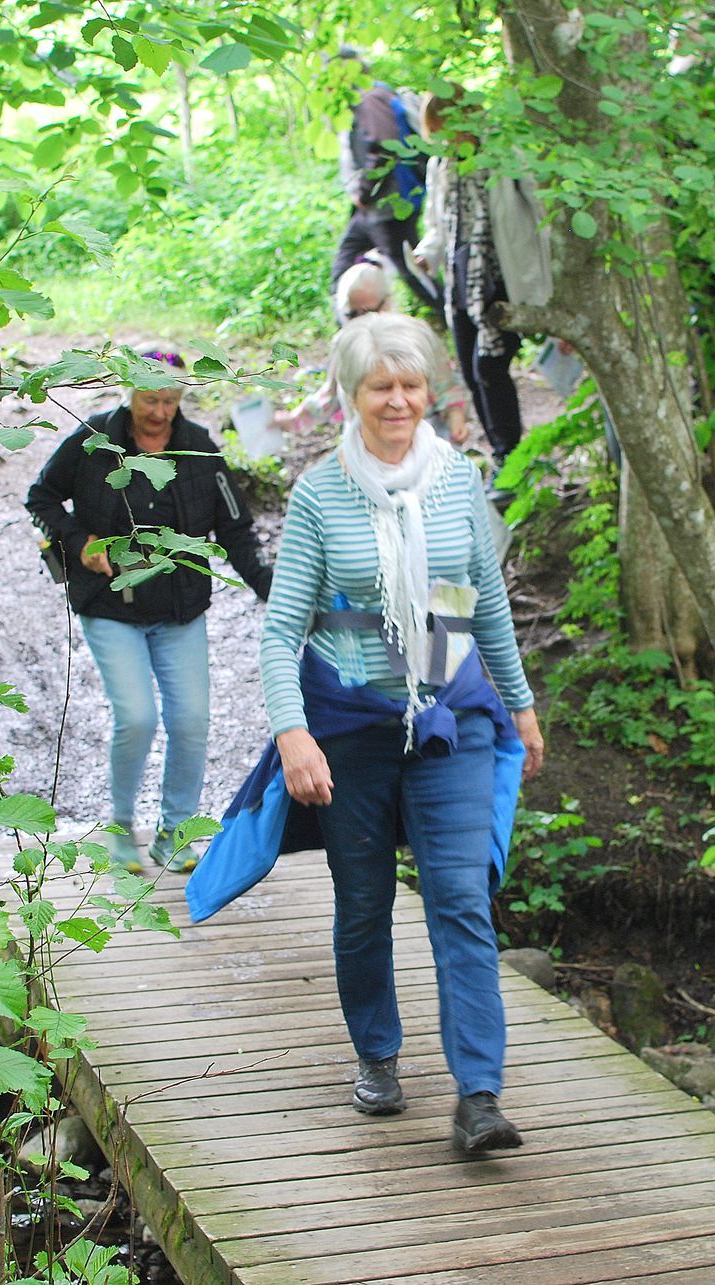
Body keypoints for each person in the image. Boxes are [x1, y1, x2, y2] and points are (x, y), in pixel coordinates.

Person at [258, 312, 545, 1153]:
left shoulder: (457, 479)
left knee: (461, 897)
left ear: (429, 391)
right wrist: (292, 734)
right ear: (351, 395)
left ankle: (479, 1093)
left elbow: (482, 598)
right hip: (349, 723)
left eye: (411, 384)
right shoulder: (320, 492)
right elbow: (282, 632)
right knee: (364, 901)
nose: (398, 401)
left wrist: (519, 705)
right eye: (381, 386)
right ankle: (378, 1054)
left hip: (448, 715)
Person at [25, 350, 273, 873]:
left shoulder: (201, 450)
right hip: (111, 604)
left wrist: (274, 591)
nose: (159, 412)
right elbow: (41, 498)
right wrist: (79, 540)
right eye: (148, 399)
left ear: (181, 398)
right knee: (137, 717)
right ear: (128, 391)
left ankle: (174, 831)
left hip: (181, 609)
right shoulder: (93, 442)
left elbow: (236, 531)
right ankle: (119, 827)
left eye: (168, 400)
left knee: (191, 721)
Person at [413, 91, 553, 473]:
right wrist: (428, 253)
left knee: (489, 369)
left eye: (447, 130)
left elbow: (541, 208)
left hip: (499, 278)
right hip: (461, 280)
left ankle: (511, 457)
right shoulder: (442, 164)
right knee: (472, 373)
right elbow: (439, 223)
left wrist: (548, 274)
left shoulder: (502, 154)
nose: (444, 140)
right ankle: (502, 453)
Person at [276, 257, 471, 446]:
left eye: (368, 312)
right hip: (365, 451)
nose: (360, 320)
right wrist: (293, 420)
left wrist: (456, 417)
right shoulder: (345, 342)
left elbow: (447, 386)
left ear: (387, 303)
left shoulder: (417, 336)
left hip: (419, 444)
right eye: (352, 314)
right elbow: (331, 395)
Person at [330, 49, 436, 310]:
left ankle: (452, 314)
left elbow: (384, 145)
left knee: (412, 270)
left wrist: (365, 192)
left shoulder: (371, 99)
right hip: (372, 208)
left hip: (389, 205)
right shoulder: (363, 100)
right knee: (344, 264)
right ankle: (348, 323)